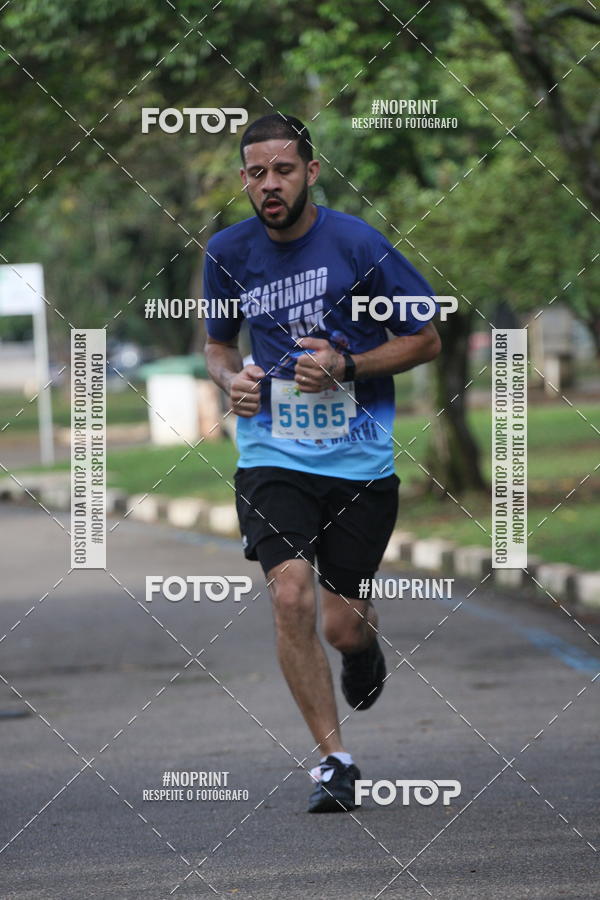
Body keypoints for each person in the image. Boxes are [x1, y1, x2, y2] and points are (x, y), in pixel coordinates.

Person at [204, 114, 441, 813]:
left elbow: (424, 338)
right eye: (256, 173)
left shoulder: (357, 243)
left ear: (310, 172)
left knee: (340, 623)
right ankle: (333, 761)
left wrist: (349, 363)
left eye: (282, 170)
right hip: (271, 455)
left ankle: (360, 648)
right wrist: (229, 382)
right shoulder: (226, 251)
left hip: (359, 463)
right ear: (244, 180)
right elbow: (218, 347)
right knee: (288, 593)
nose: (269, 184)